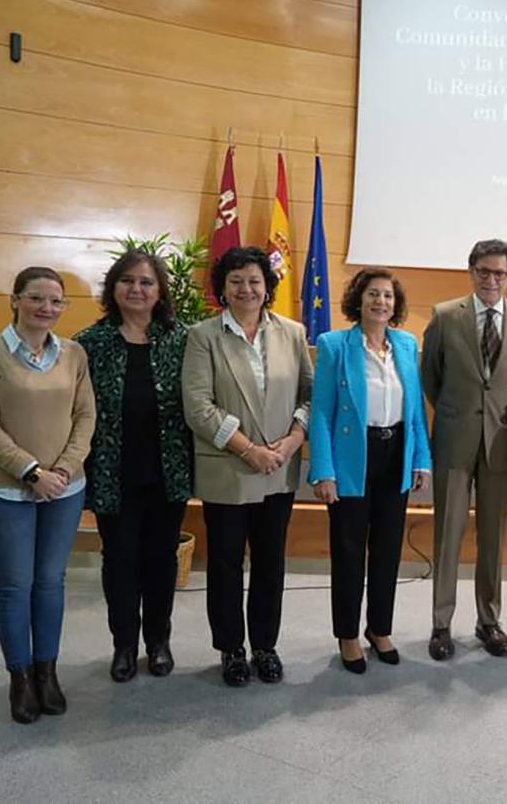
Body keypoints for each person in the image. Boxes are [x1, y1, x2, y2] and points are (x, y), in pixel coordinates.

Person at [0, 267, 96, 723]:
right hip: (6, 492)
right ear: (16, 300)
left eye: (56, 301)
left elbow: (85, 418)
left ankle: (47, 673)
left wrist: (60, 471)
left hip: (65, 489)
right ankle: (19, 679)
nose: (47, 308)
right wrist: (31, 471)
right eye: (36, 298)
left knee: (50, 583)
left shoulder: (74, 354)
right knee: (16, 586)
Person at [182, 246, 312, 687]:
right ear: (223, 287)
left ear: (267, 285)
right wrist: (247, 449)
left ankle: (264, 646)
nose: (246, 289)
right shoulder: (203, 336)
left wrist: (294, 439)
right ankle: (231, 649)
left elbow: (309, 395)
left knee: (271, 563)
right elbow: (198, 407)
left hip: (280, 468)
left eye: (255, 280)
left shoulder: (292, 333)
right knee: (224, 563)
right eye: (236, 281)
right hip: (230, 469)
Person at [77, 250, 193, 683]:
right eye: (127, 281)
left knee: (161, 561)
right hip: (113, 474)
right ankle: (123, 645)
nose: (136, 289)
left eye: (146, 282)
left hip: (168, 472)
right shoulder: (91, 342)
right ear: (113, 288)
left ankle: (158, 642)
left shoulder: (181, 338)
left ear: (160, 290)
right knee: (120, 561)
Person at [420, 239, 507, 661]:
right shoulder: (445, 316)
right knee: (448, 533)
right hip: (454, 438)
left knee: (493, 536)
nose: (492, 280)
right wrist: (458, 414)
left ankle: (489, 620)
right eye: (484, 271)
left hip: (501, 442)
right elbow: (430, 379)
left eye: (499, 273)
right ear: (471, 271)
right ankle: (441, 623)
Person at [309, 268, 432, 674]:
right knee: (348, 552)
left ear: (395, 305)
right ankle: (347, 634)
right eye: (373, 294)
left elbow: (414, 410)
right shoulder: (334, 346)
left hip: (395, 454)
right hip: (351, 460)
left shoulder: (405, 343)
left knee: (387, 551)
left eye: (388, 296)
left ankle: (380, 629)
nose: (381, 302)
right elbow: (322, 413)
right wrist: (323, 472)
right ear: (358, 300)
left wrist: (421, 459)